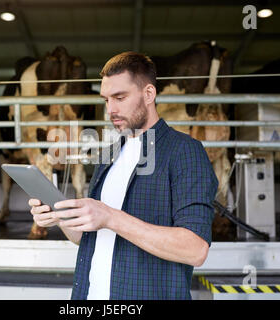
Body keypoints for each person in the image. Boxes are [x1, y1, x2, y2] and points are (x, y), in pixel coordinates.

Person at [29, 51, 218, 300]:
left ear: (149, 94)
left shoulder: (184, 151)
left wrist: (110, 217)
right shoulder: (109, 155)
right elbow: (90, 239)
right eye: (106, 99)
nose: (111, 110)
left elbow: (195, 249)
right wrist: (59, 216)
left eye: (120, 97)